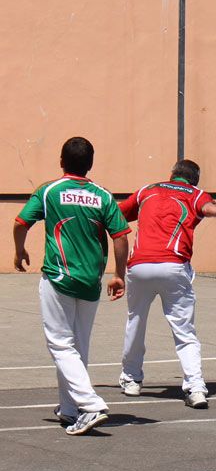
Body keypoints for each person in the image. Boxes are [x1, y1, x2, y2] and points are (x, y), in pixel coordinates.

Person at [13, 137, 130, 435]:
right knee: (78, 346)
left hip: (58, 277)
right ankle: (69, 409)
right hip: (91, 281)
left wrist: (19, 250)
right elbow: (120, 236)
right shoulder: (103, 195)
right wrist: (119, 275)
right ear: (90, 165)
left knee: (60, 344)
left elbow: (20, 222)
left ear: (61, 161)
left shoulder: (50, 190)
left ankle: (90, 405)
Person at [117, 159, 216, 409]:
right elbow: (208, 207)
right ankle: (196, 388)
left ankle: (132, 380)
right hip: (173, 266)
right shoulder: (195, 194)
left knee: (136, 320)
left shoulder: (147, 190)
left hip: (139, 266)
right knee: (184, 331)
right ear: (194, 180)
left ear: (172, 174)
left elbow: (116, 214)